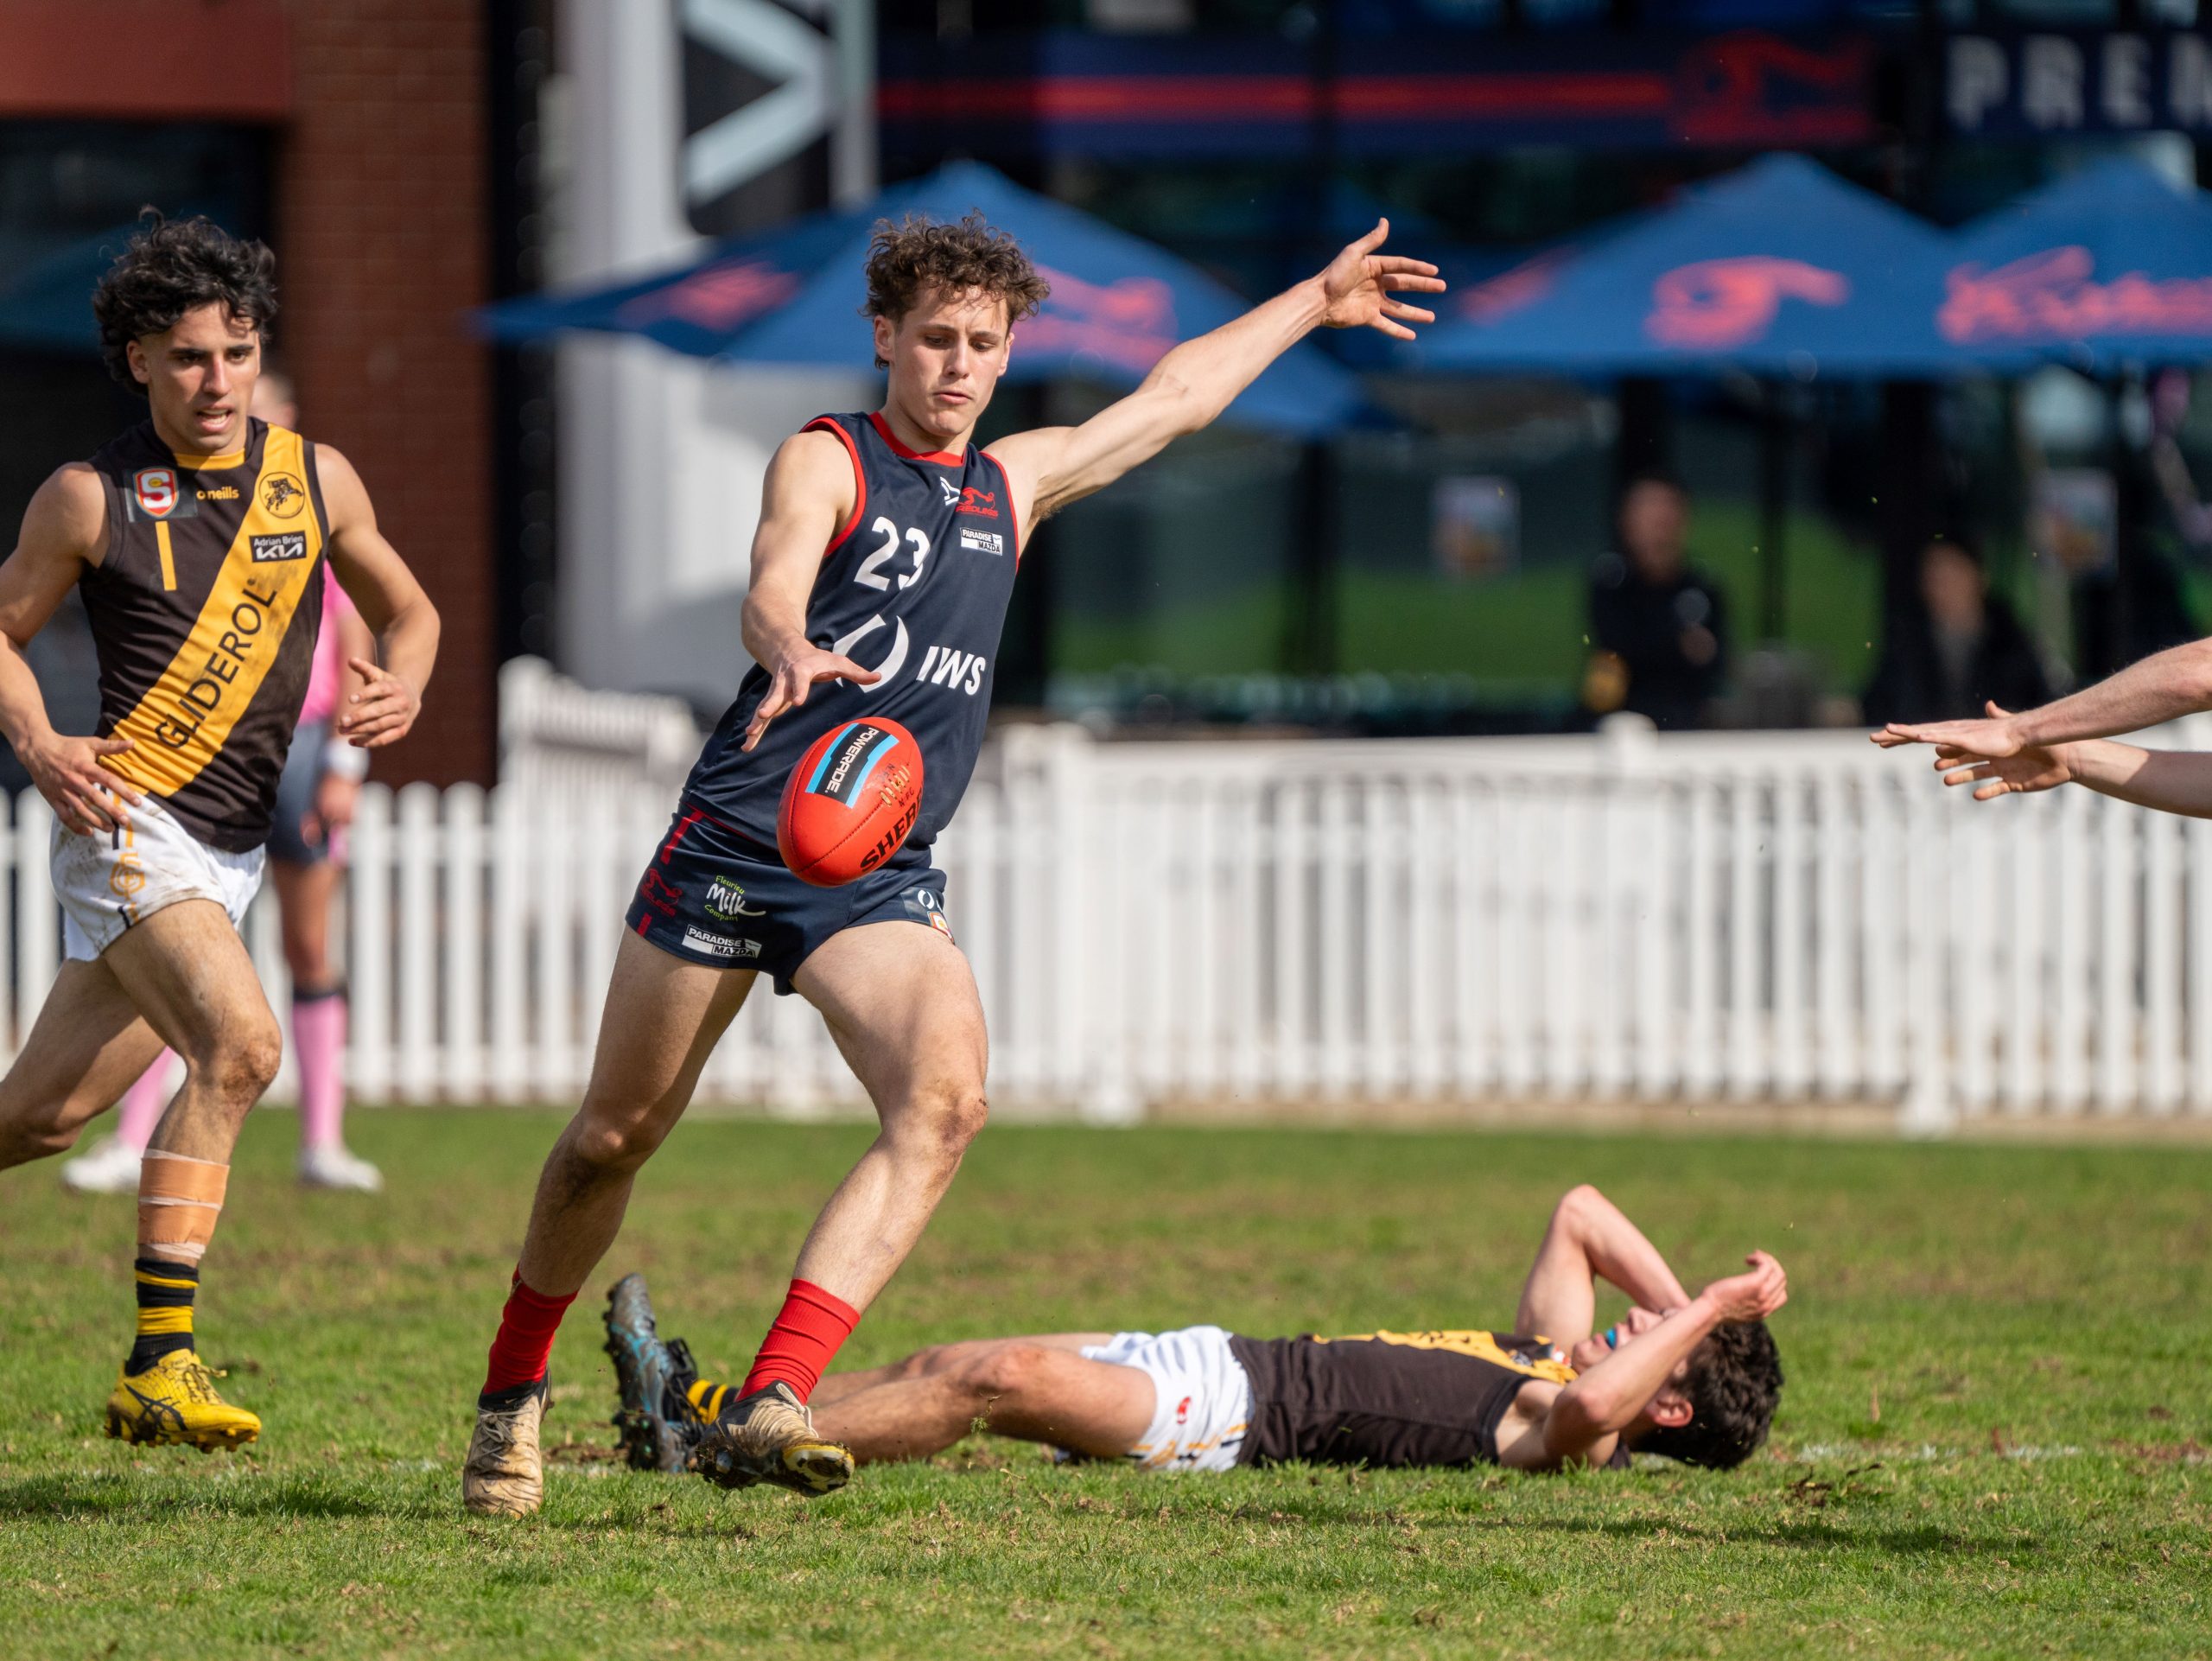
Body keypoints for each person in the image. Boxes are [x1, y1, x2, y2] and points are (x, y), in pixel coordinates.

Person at [460, 211, 1446, 1516]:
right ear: (883, 336)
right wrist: (788, 642)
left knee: (946, 1101)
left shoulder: (1012, 487)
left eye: (985, 342)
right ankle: (511, 1387)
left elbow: (1177, 397)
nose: (960, 365)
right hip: (746, 835)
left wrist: (1313, 304)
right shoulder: (828, 457)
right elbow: (772, 575)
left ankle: (773, 1395)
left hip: (874, 869)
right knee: (612, 1136)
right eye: (935, 338)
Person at [0, 216, 438, 1450]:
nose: (218, 381)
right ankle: (161, 1359)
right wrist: (40, 744)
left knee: (41, 1118)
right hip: (131, 823)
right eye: (189, 357)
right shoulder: (88, 494)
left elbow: (414, 610)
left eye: (238, 353)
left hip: (233, 851)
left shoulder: (317, 477)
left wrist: (402, 678)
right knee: (242, 1048)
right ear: (138, 359)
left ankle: (160, 1354)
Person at [598, 1184, 1787, 1480]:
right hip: (1217, 1352)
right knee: (936, 1361)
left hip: (1226, 1420)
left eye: (1662, 1340)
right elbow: (1581, 1214)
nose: (1645, 1316)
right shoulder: (1549, 1347)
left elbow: (1592, 1406)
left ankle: (711, 1447)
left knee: (994, 1382)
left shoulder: (1576, 1431)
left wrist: (1714, 1313)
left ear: (1663, 1405)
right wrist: (1702, 1307)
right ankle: (707, 1415)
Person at [60, 362, 384, 1197]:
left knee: (309, 947)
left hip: (301, 753)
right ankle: (132, 1143)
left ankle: (324, 1142)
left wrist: (348, 764)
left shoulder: (306, 505)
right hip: (196, 767)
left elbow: (361, 641)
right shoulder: (176, 527)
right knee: (188, 970)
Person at [1584, 472, 1728, 732]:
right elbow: (1616, 646)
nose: (1660, 521)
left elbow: (1715, 661)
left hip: (1687, 724)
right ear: (1626, 520)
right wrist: (1678, 642)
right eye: (1648, 510)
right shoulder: (1611, 582)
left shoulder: (1702, 588)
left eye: (1668, 509)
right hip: (1623, 723)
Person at [1860, 536, 2053, 728]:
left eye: (1952, 575)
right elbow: (1880, 703)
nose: (1942, 586)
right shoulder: (1907, 644)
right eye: (1934, 577)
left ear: (1979, 576)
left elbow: (2041, 702)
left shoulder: (2012, 643)